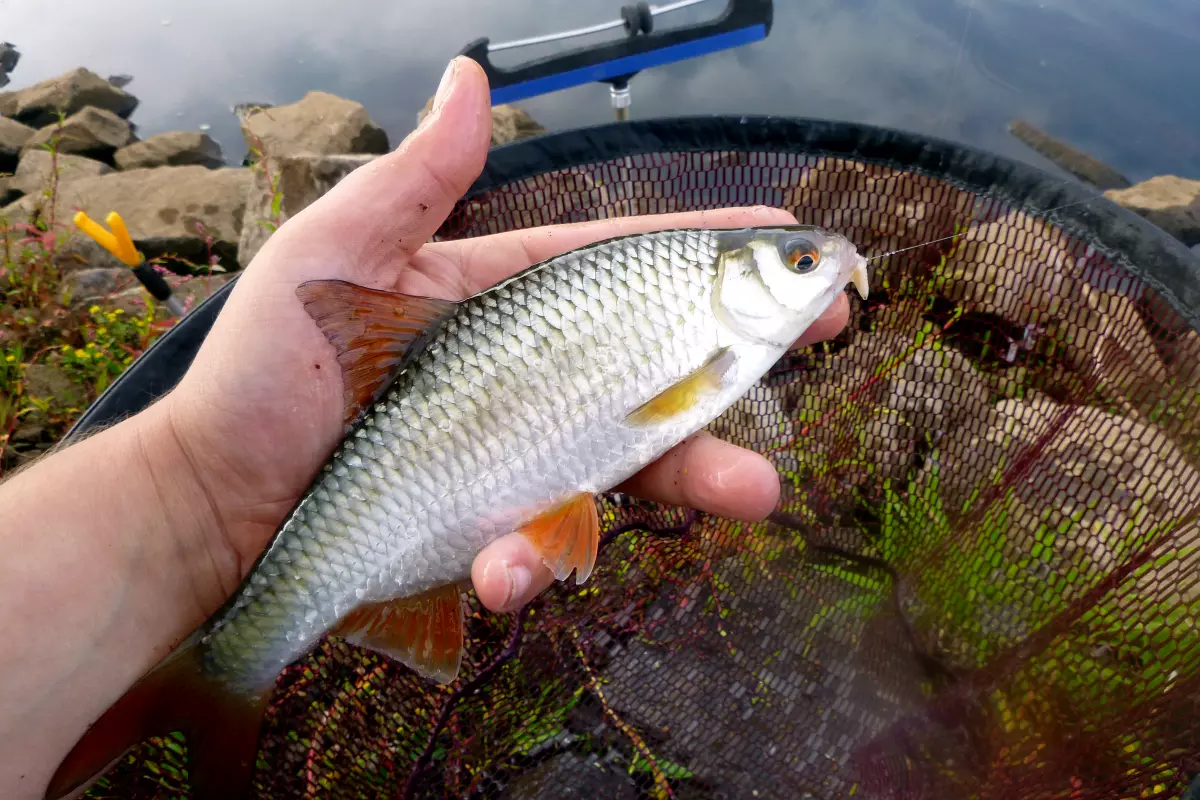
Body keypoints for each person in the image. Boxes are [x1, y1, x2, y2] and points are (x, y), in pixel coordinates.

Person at [0, 56, 849, 797]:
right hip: (412, 468)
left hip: (453, 463)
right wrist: (189, 482)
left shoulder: (703, 314)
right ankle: (224, 672)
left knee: (551, 529)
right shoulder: (709, 334)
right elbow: (664, 408)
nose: (825, 265)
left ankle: (224, 670)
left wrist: (182, 490)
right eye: (801, 262)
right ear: (739, 275)